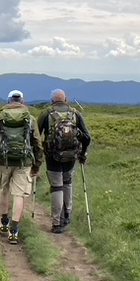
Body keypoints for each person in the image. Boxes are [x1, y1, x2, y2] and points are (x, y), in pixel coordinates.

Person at [0, 90, 44, 244]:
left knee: (4, 189)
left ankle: (3, 222)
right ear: (22, 101)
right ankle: (14, 231)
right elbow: (37, 144)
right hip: (24, 162)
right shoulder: (30, 118)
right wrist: (37, 164)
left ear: (9, 101)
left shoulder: (0, 117)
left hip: (3, 160)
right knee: (19, 195)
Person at [37, 89, 91, 233]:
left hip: (52, 157)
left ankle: (57, 223)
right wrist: (83, 154)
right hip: (71, 157)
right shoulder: (75, 113)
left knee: (56, 187)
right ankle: (67, 215)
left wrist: (37, 156)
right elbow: (87, 137)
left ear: (52, 100)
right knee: (67, 183)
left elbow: (35, 135)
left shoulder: (46, 113)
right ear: (65, 99)